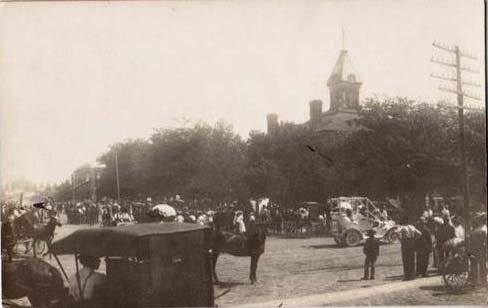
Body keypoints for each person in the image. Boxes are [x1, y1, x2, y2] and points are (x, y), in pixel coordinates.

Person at [396, 215, 421, 280]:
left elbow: (397, 232)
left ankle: (407, 275)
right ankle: (412, 275)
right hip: (412, 241)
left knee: (406, 259)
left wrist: (400, 239)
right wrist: (414, 239)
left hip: (405, 242)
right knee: (412, 258)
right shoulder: (412, 227)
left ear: (403, 220)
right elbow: (419, 233)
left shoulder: (401, 227)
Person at [470, 214, 487, 286]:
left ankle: (481, 280)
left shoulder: (483, 229)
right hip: (477, 248)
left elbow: (483, 240)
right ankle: (477, 280)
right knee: (477, 264)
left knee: (481, 264)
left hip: (480, 249)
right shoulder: (480, 228)